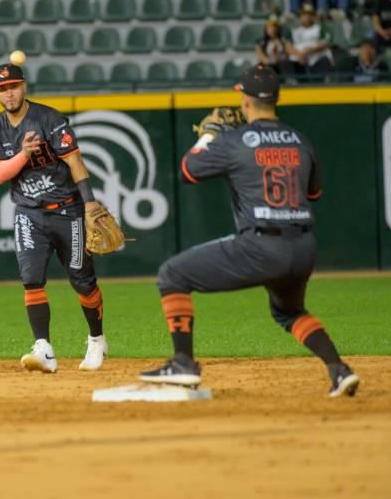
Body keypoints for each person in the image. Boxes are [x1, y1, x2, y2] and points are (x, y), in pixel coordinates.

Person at [139, 65, 360, 398]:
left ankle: (183, 362)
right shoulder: (300, 140)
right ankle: (339, 370)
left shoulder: (233, 141)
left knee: (172, 275)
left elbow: (189, 169)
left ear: (243, 99)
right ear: (277, 98)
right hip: (304, 247)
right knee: (289, 311)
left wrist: (210, 132)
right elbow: (314, 193)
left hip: (261, 244)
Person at [0, 63, 109, 373]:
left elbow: (74, 160)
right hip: (29, 214)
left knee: (82, 281)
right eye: (2, 88)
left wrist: (90, 204)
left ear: (23, 86)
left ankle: (96, 339)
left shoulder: (48, 118)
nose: (8, 92)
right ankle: (44, 348)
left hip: (68, 210)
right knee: (31, 280)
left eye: (13, 86)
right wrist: (23, 154)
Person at [282, 4, 334, 81]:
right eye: (304, 15)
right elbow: (287, 47)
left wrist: (307, 52)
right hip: (298, 59)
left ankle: (320, 83)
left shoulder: (321, 28)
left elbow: (324, 44)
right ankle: (293, 83)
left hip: (316, 59)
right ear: (299, 17)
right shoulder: (293, 31)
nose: (307, 17)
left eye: (310, 15)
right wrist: (300, 54)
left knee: (325, 61)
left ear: (314, 16)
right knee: (285, 62)